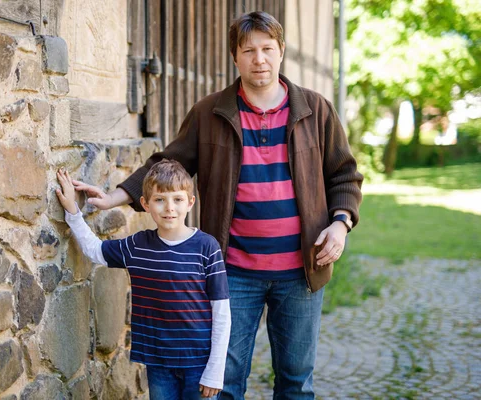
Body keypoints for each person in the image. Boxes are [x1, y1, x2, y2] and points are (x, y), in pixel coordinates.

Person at [70, 11, 363, 399]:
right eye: (249, 51)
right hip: (233, 270)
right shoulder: (210, 112)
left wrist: (340, 224)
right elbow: (167, 163)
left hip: (302, 270)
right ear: (235, 56)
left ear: (281, 52)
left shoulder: (316, 110)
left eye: (267, 49)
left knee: (296, 381)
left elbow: (344, 175)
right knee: (224, 381)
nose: (259, 59)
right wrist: (114, 197)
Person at [55, 160, 231, 400]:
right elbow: (95, 250)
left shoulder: (207, 247)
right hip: (157, 361)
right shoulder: (137, 246)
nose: (169, 208)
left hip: (199, 362)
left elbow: (221, 311)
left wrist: (215, 371)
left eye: (177, 199)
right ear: (145, 204)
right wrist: (72, 213)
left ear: (190, 203)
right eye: (160, 200)